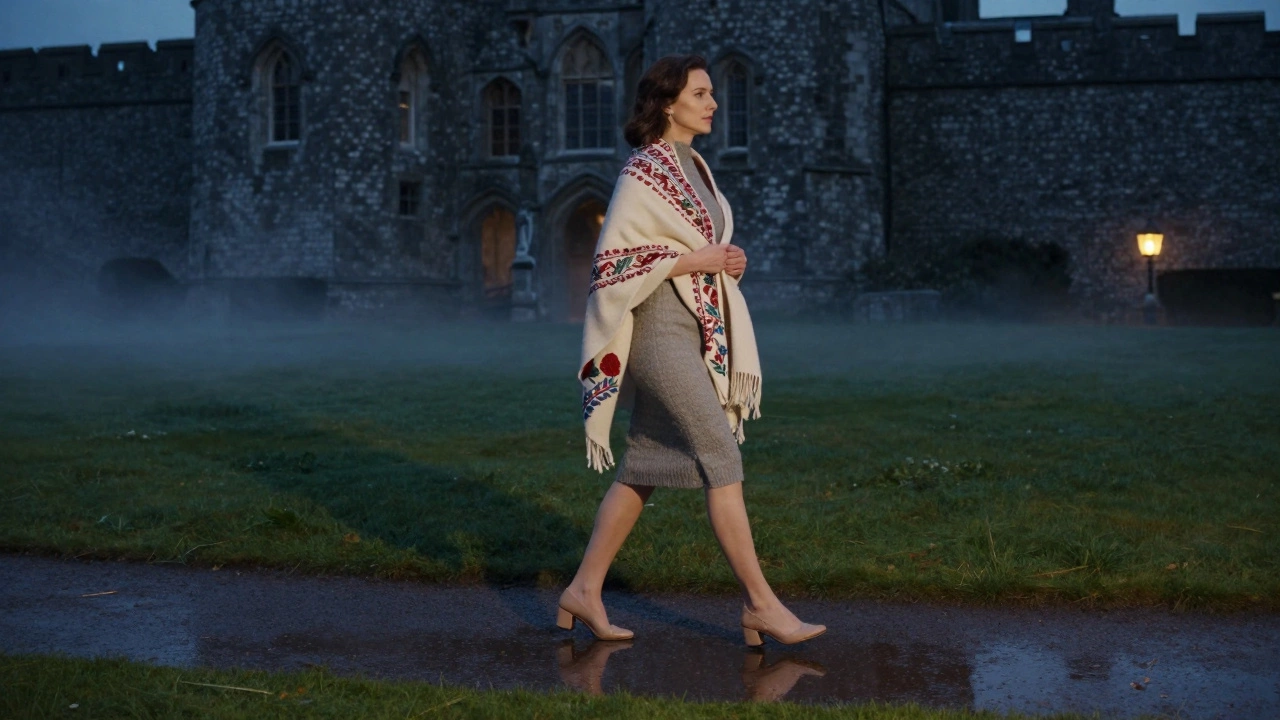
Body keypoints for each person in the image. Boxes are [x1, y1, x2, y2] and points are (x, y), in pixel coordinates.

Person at [558, 54, 826, 648]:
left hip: (693, 327)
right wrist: (697, 260)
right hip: (656, 333)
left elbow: (698, 245)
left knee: (645, 465)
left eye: (710, 94)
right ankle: (762, 605)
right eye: (701, 94)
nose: (712, 103)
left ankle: (583, 589)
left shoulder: (696, 165)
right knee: (721, 456)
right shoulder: (642, 170)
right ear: (668, 101)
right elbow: (612, 265)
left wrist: (727, 259)